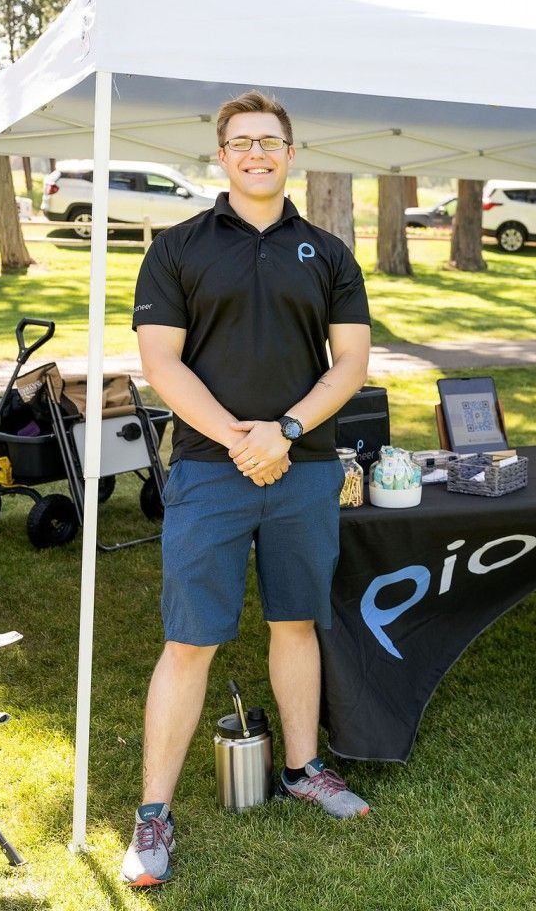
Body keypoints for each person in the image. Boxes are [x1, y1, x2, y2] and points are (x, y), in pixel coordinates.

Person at [122, 90, 373, 887]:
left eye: (270, 140)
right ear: (221, 156)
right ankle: (153, 817)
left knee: (297, 624)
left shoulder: (329, 251)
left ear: (291, 153)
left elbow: (352, 365)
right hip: (208, 469)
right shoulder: (177, 247)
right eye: (241, 142)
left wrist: (286, 432)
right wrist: (241, 438)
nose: (256, 153)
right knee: (190, 640)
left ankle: (302, 769)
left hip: (303, 469)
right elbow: (161, 363)